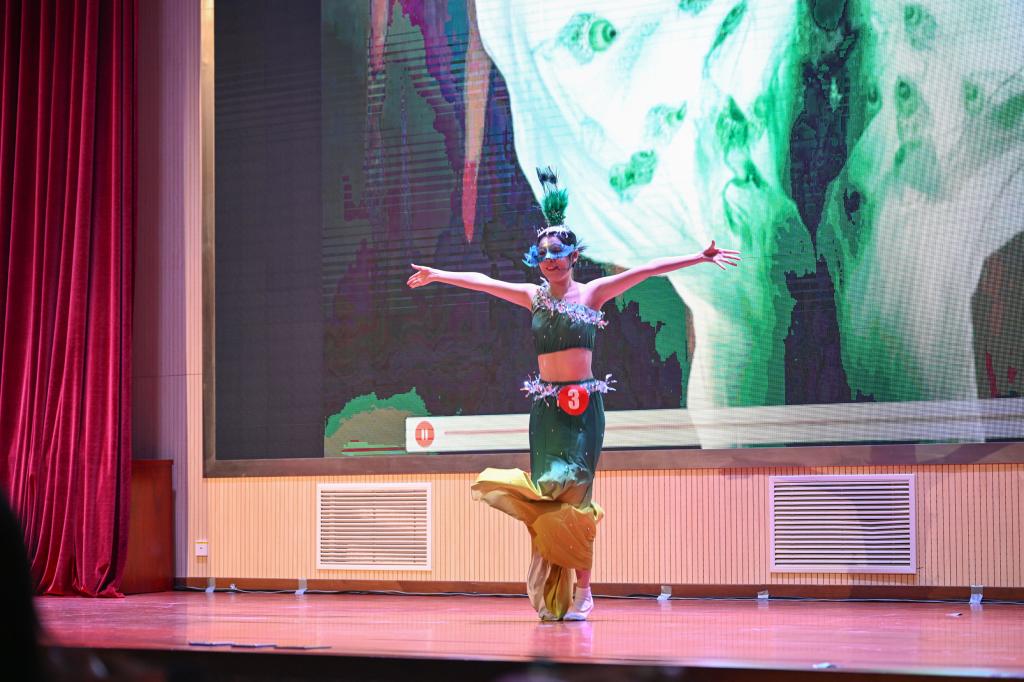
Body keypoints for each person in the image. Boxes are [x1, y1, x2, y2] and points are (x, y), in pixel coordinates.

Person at [407, 168, 739, 620]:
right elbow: (483, 282)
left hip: (583, 410)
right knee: (549, 494)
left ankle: (584, 590)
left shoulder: (593, 293)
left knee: (577, 496)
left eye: (559, 255)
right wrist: (438, 274)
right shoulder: (533, 296)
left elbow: (646, 270)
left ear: (574, 256)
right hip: (547, 411)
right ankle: (552, 585)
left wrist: (698, 257)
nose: (552, 262)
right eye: (544, 256)